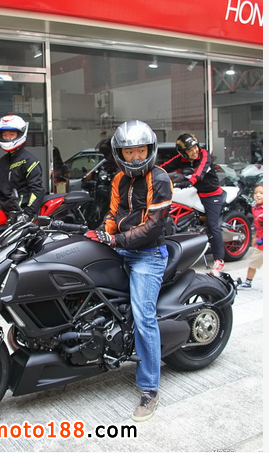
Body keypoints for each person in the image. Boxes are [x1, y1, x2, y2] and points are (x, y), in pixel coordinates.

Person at [86, 120, 173, 422]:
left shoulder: (159, 178)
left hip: (148, 255)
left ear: (150, 150)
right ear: (119, 153)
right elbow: (113, 213)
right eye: (129, 151)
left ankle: (150, 389)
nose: (136, 157)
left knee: (144, 316)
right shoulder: (119, 178)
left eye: (141, 151)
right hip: (121, 248)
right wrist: (101, 233)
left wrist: (117, 240)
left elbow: (154, 225)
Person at [160, 133, 226, 274]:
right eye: (190, 150)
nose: (194, 151)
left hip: (212, 194)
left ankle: (219, 260)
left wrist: (188, 182)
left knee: (213, 226)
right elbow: (163, 167)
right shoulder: (181, 159)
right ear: (183, 153)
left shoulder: (204, 155)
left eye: (195, 147)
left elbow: (199, 172)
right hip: (197, 192)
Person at [0, 114, 45, 219]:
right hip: (5, 213)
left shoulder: (30, 162)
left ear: (20, 134)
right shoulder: (2, 161)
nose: (7, 138)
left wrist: (27, 214)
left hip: (22, 214)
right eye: (4, 134)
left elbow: (37, 191)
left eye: (11, 134)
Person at [240, 182, 263, 288]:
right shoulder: (255, 208)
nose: (258, 195)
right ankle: (248, 282)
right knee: (253, 263)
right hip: (261, 243)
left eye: (262, 193)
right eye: (256, 193)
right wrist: (255, 237)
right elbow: (257, 225)